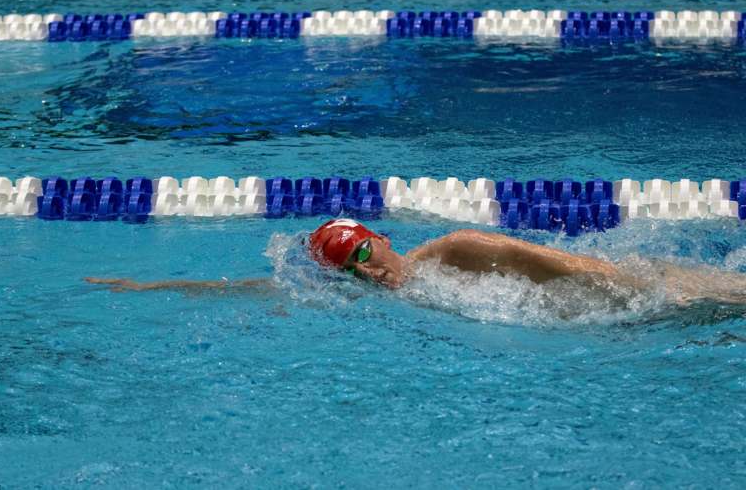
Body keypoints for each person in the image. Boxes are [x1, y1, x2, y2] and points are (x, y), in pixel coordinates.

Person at [86, 218, 746, 306]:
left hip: (638, 289)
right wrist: (150, 283)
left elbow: (561, 264)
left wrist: (641, 296)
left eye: (367, 252)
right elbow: (261, 288)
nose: (369, 270)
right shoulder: (399, 289)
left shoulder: (455, 249)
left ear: (382, 239)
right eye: (351, 268)